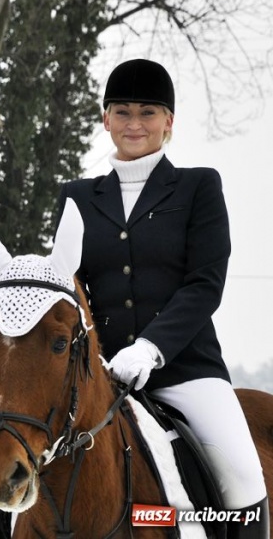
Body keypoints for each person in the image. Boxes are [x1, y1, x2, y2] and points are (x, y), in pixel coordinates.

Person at [58, 58, 268, 537]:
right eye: (123, 111)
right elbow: (70, 286)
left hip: (186, 370)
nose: (135, 123)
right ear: (105, 119)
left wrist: (150, 348)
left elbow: (205, 282)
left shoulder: (198, 187)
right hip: (103, 376)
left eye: (148, 112)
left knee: (241, 473)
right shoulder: (76, 197)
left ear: (168, 122)